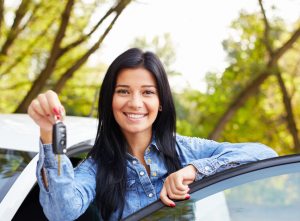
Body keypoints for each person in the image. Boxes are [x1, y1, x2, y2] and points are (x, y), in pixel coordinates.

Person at [28, 48, 278, 221]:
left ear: (161, 102)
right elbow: (61, 211)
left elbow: (264, 154)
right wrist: (51, 134)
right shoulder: (96, 166)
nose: (135, 103)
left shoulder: (186, 150)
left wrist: (191, 171)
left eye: (147, 92)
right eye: (123, 91)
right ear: (110, 100)